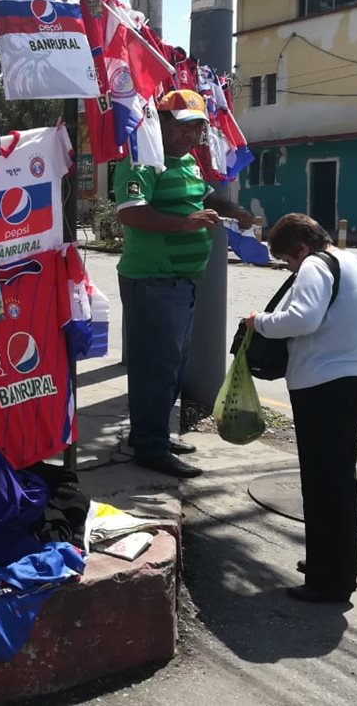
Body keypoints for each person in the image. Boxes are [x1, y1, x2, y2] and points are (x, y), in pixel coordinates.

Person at [113, 88, 254, 478]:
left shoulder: (189, 163)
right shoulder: (142, 160)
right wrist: (185, 224)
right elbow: (132, 214)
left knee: (172, 365)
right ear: (161, 122)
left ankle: (152, 433)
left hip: (181, 282)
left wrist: (234, 210)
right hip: (153, 280)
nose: (192, 136)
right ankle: (150, 447)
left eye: (198, 129)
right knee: (155, 366)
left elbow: (206, 195)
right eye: (185, 127)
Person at [245, 213, 357, 604]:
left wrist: (260, 322)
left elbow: (302, 319)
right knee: (338, 482)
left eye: (288, 261)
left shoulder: (315, 265)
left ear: (302, 248)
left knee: (324, 486)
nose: (291, 268)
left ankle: (329, 581)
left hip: (324, 385)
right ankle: (336, 565)